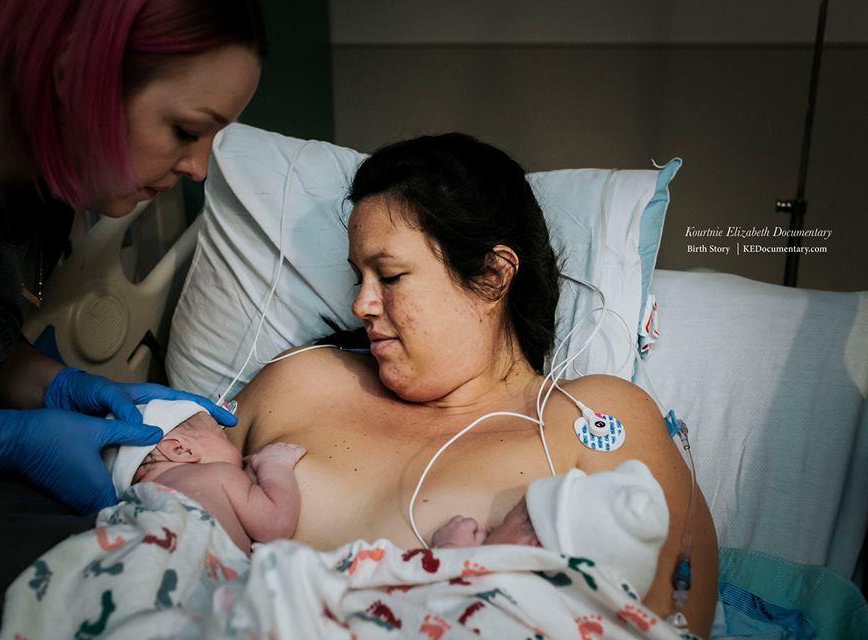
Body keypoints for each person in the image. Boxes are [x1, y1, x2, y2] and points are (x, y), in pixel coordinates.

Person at [226, 133, 719, 637]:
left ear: (492, 275)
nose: (360, 305)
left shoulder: (592, 417)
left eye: (389, 277)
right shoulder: (301, 381)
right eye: (359, 279)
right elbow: (180, 503)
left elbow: (670, 624)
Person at [0, 1, 264, 634]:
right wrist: (3, 439)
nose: (198, 168)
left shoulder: (42, 187)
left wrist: (58, 385)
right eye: (185, 129)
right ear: (78, 68)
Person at [431, 459, 670, 600]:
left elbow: (458, 602)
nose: (487, 530)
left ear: (531, 546)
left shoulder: (521, 598)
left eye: (498, 527)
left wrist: (454, 551)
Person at [105, 399, 306, 554]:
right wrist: (274, 464)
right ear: (181, 449)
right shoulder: (217, 474)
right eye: (223, 435)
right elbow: (276, 524)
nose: (237, 448)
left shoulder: (126, 509)